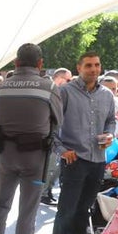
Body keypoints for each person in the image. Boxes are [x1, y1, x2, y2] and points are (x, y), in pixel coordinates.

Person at [0, 43, 61, 234]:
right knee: (27, 212)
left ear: (16, 63)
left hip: (5, 156)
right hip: (35, 158)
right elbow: (58, 121)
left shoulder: (0, 88)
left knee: (0, 208)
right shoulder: (49, 87)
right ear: (40, 64)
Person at [48, 52, 115, 234]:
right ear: (79, 68)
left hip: (98, 159)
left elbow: (111, 121)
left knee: (84, 207)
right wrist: (61, 150)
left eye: (97, 65)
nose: (94, 69)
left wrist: (110, 134)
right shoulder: (65, 92)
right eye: (88, 65)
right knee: (67, 208)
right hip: (74, 158)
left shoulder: (107, 94)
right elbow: (51, 124)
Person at [40, 67, 72, 204]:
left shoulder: (62, 92)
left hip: (61, 136)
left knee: (57, 167)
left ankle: (48, 190)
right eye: (68, 80)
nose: (71, 82)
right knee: (50, 166)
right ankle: (43, 193)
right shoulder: (49, 91)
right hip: (50, 135)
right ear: (59, 78)